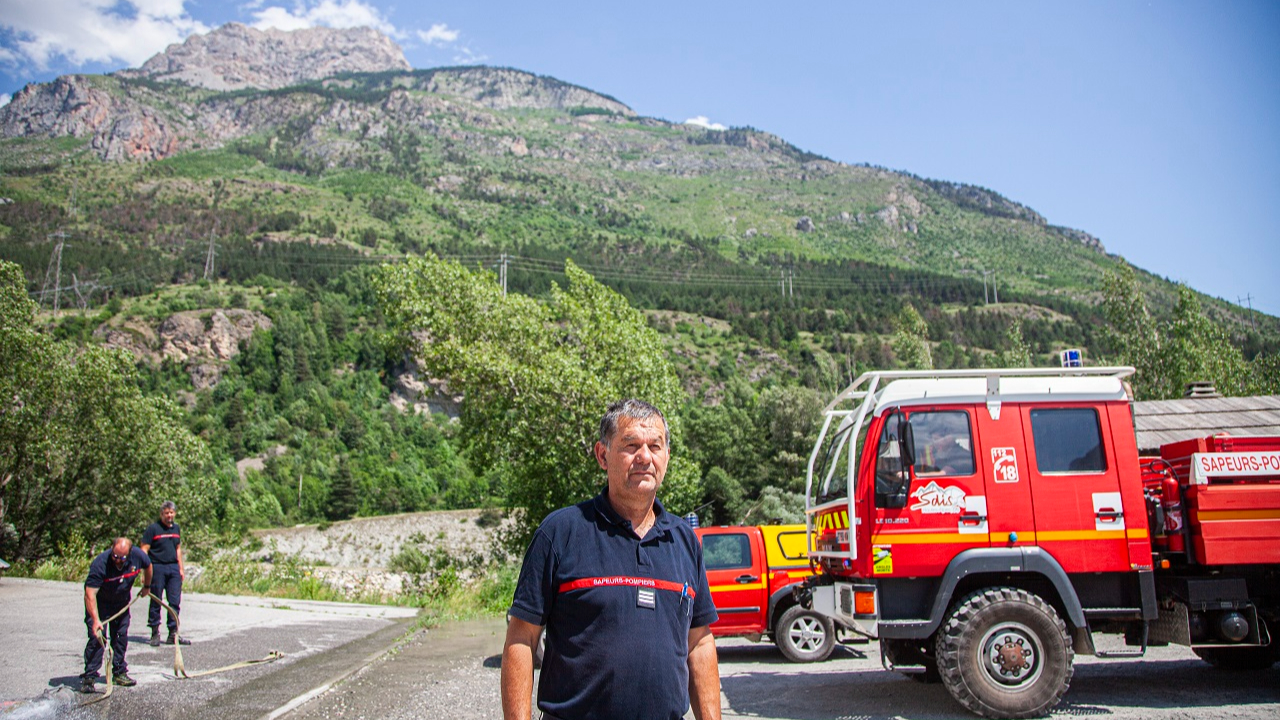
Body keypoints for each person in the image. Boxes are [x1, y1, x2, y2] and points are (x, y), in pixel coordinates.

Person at [501, 399, 721, 720]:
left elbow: (699, 643)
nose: (645, 457)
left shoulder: (684, 540)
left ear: (667, 457)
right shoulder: (560, 532)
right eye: (630, 445)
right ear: (603, 456)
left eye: (655, 446)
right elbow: (522, 636)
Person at [81, 537, 152, 693]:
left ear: (130, 553)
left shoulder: (139, 556)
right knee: (97, 638)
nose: (118, 561)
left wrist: (147, 586)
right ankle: (89, 676)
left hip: (121, 604)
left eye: (122, 558)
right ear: (111, 550)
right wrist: (95, 620)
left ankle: (119, 672)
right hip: (101, 605)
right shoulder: (100, 564)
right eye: (115, 557)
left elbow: (148, 566)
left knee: (120, 637)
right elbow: (89, 594)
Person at [141, 500, 189, 646]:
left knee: (175, 601)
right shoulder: (153, 529)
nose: (169, 515)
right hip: (157, 567)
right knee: (156, 599)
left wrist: (181, 568)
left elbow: (178, 548)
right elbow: (144, 550)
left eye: (171, 512)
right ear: (162, 514)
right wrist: (144, 572)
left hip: (173, 567)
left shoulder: (176, 528)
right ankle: (155, 632)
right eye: (166, 513)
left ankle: (173, 633)